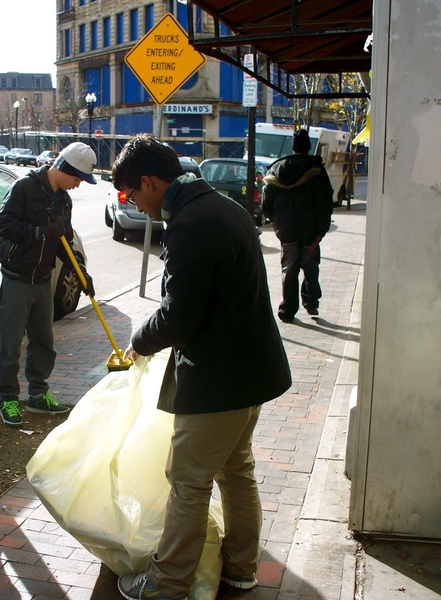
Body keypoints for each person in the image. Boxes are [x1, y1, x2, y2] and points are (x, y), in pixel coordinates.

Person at [111, 135, 292, 600]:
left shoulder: (189, 224)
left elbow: (179, 315)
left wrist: (139, 339)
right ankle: (241, 569)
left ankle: (166, 584)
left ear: (149, 182)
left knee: (188, 482)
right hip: (251, 371)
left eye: (132, 194)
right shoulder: (225, 206)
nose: (135, 204)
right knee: (237, 471)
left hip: (217, 379)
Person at [0, 142, 97, 427]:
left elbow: (63, 240)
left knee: (43, 341)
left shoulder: (64, 200)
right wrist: (40, 232)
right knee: (10, 343)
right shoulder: (25, 188)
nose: (78, 185)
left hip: (42, 278)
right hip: (16, 276)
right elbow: (5, 225)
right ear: (64, 168)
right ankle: (8, 398)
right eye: (77, 178)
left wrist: (80, 272)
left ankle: (38, 394)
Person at [261, 128, 334, 322]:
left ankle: (287, 310)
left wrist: (277, 222)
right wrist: (321, 231)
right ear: (308, 147)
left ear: (292, 147)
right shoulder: (316, 170)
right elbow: (325, 203)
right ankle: (311, 303)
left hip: (286, 230)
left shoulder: (276, 169)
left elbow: (266, 205)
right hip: (310, 230)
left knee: (289, 269)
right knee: (310, 266)